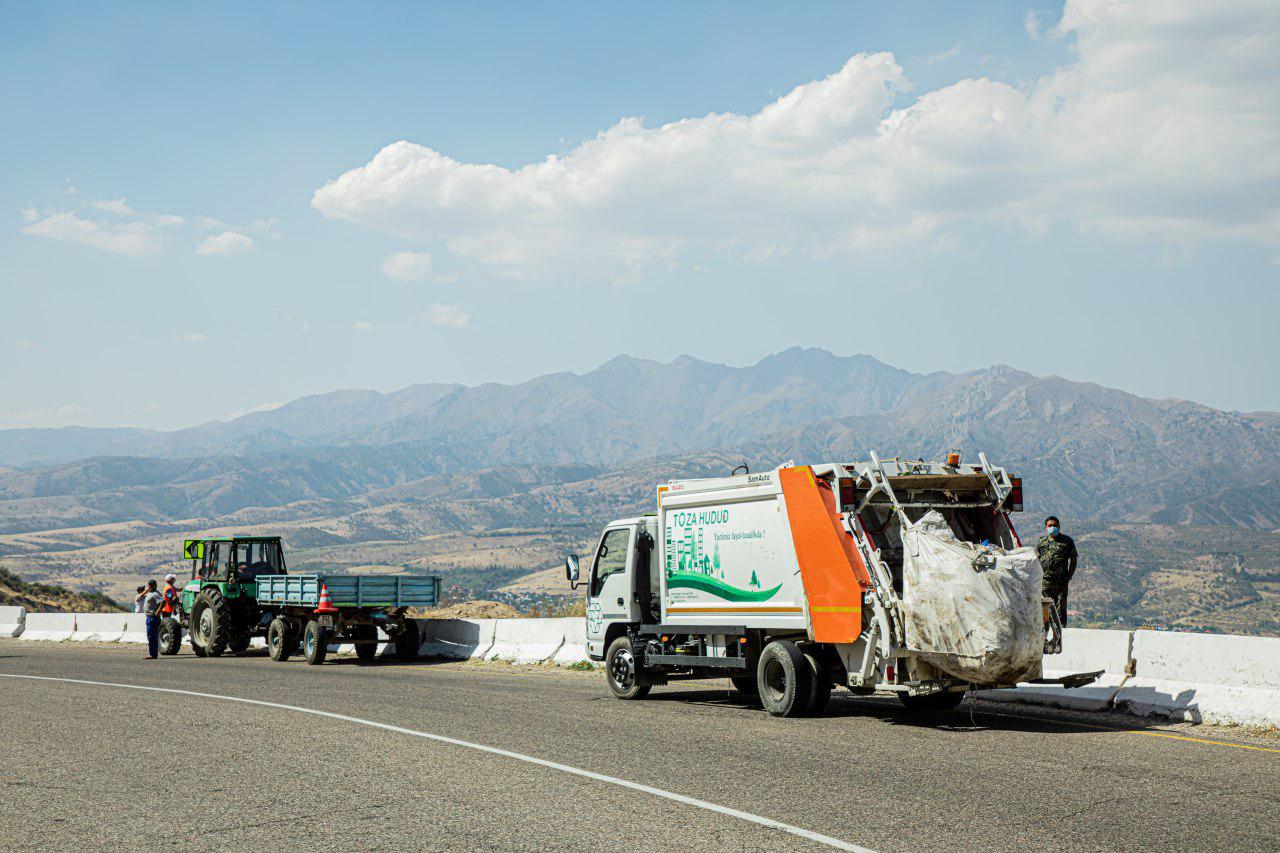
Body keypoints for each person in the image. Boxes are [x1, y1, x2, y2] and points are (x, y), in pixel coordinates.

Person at [1036, 515, 1078, 626]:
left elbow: (1073, 560)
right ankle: (1045, 635)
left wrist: (1069, 576)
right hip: (1045, 583)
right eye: (1050, 525)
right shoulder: (1041, 542)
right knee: (1045, 610)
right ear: (1046, 527)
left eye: (1055, 525)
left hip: (1061, 582)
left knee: (1060, 609)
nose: (1053, 527)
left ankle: (1060, 636)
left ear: (1059, 527)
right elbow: (1036, 560)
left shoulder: (1067, 541)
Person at [141, 579, 164, 660]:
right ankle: (153, 653)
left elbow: (162, 602)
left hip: (153, 618)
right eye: (149, 585)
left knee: (152, 636)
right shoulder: (150, 592)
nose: (150, 586)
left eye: (152, 585)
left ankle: (153, 654)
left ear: (155, 585)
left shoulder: (155, 594)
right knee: (150, 636)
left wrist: (158, 611)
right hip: (149, 617)